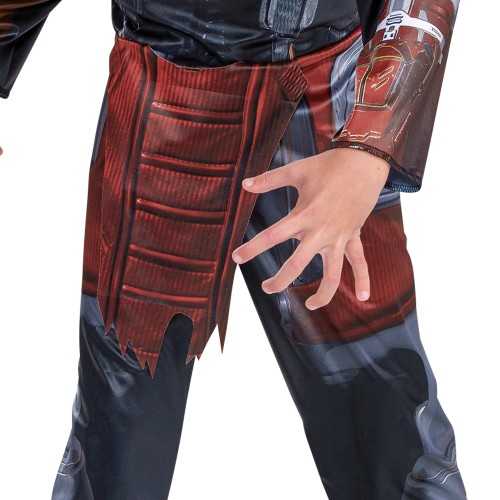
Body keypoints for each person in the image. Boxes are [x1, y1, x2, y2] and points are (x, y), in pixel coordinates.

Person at [0, 1, 468, 499]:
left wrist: (371, 142)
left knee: (389, 417)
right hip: (160, 98)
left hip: (331, 110)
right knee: (118, 435)